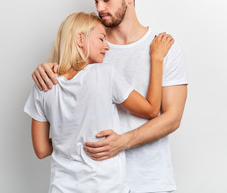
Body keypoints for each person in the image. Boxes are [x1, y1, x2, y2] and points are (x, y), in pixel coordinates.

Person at [31, 0, 188, 193]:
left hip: (151, 180)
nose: (99, 7)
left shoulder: (163, 49)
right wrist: (42, 70)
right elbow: (64, 86)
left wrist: (122, 142)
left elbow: (172, 118)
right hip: (100, 183)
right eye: (95, 1)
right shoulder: (92, 52)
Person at [25, 11, 174, 192]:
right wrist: (157, 58)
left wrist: (68, 138)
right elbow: (151, 110)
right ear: (80, 39)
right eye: (102, 39)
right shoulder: (105, 74)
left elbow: (41, 150)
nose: (107, 46)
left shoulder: (43, 85)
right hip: (106, 186)